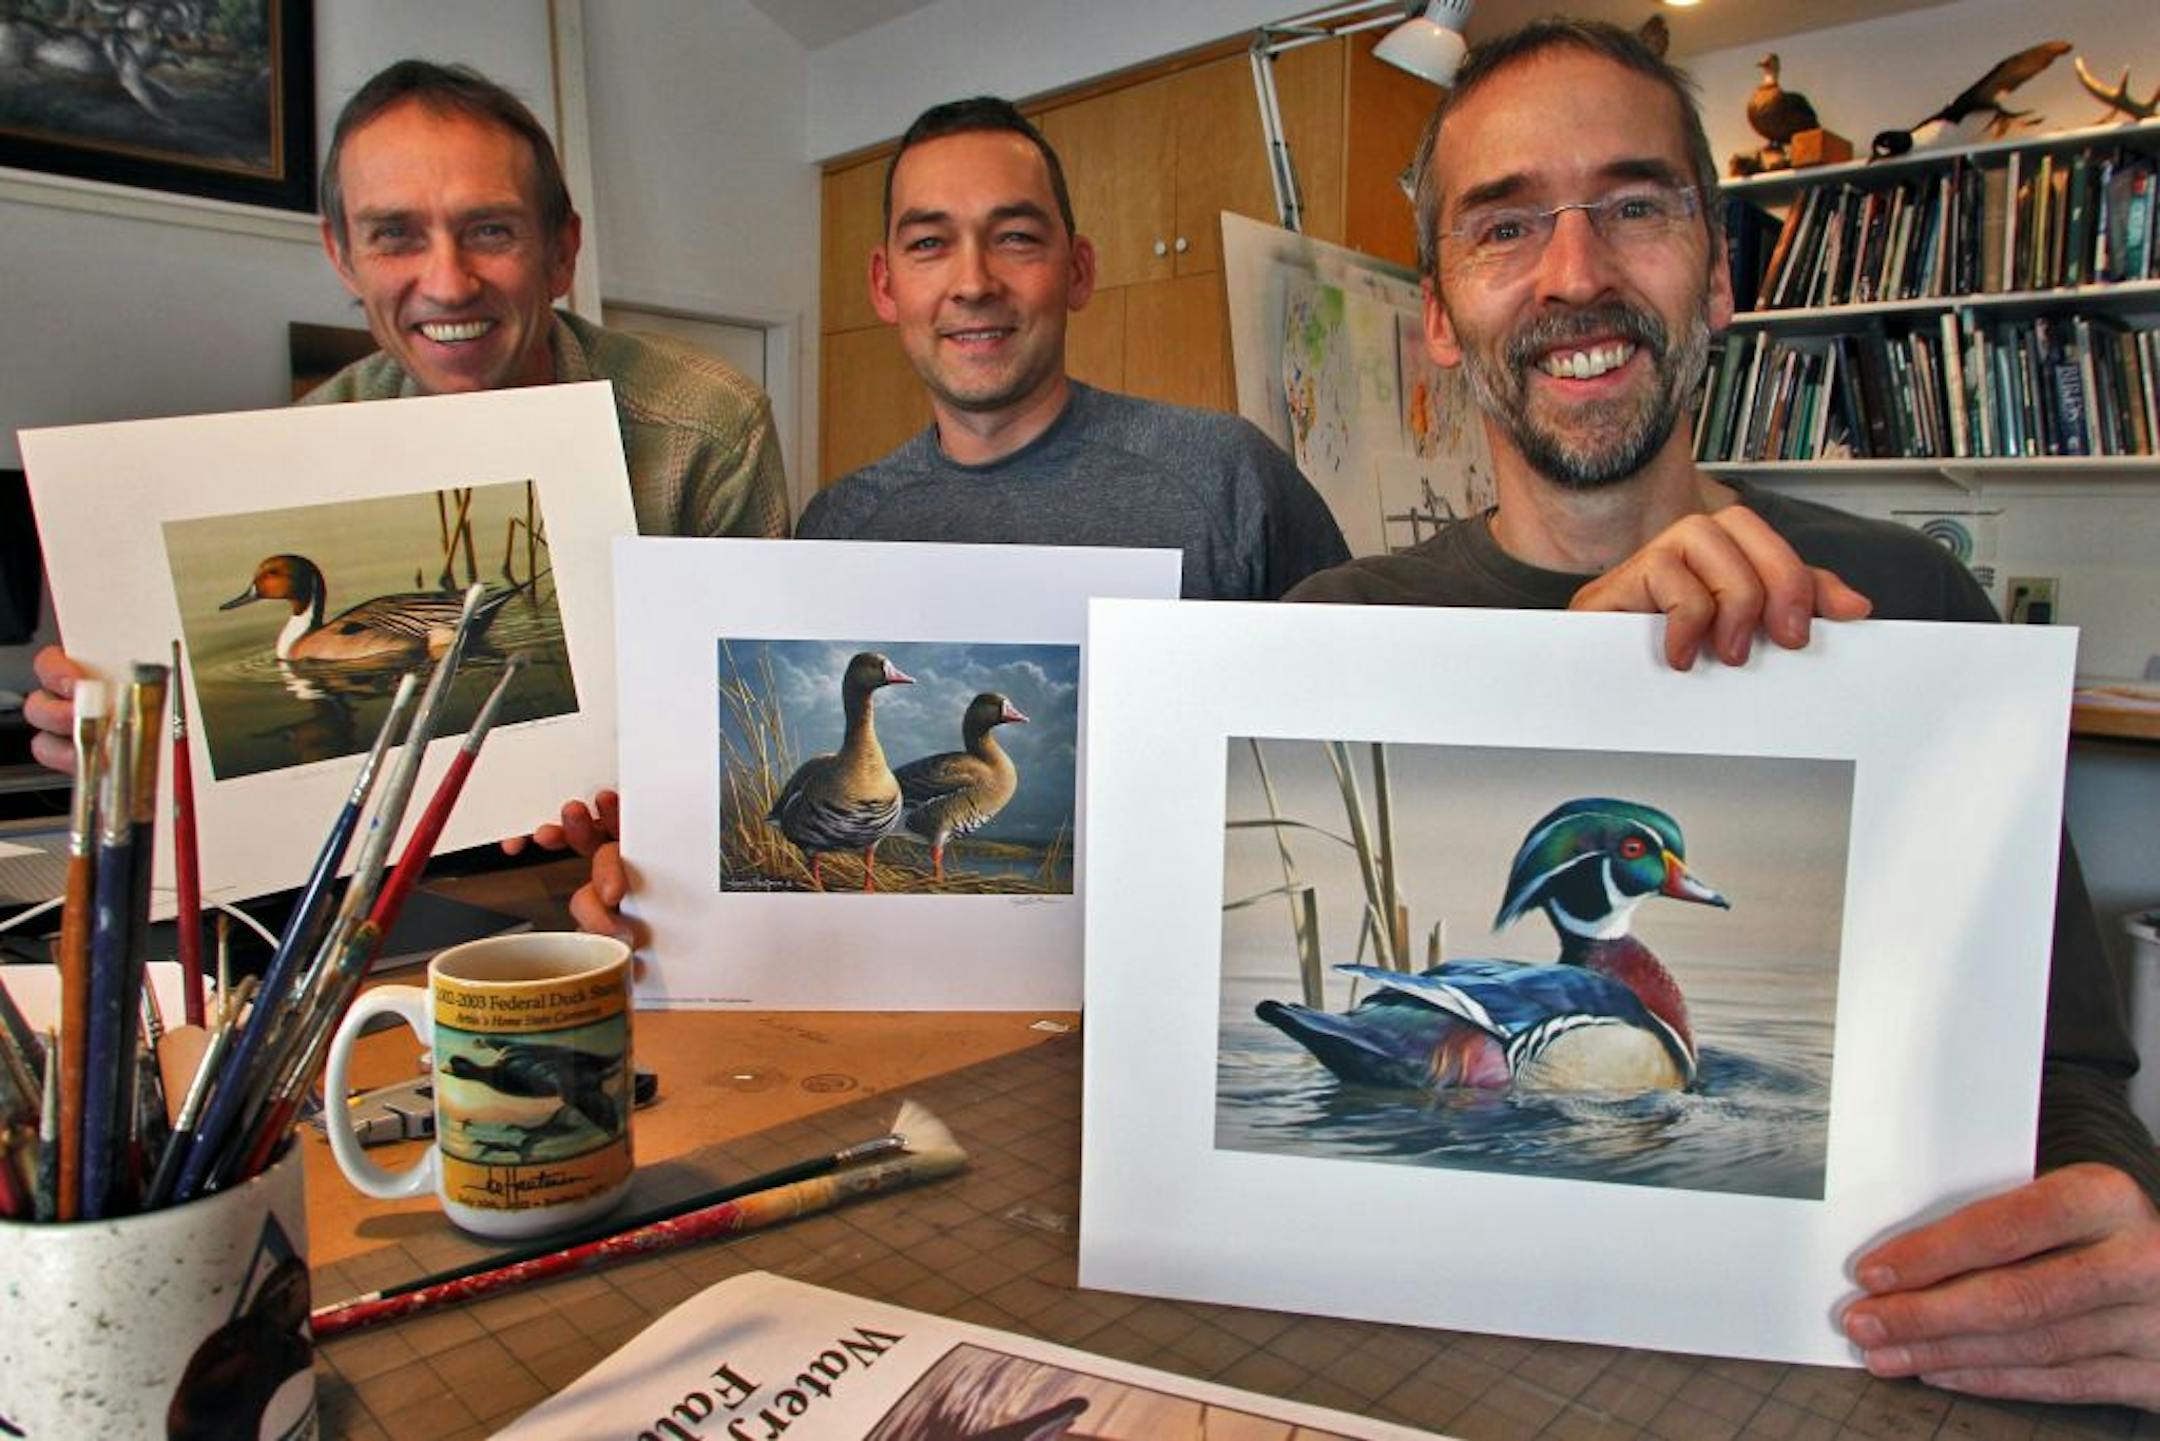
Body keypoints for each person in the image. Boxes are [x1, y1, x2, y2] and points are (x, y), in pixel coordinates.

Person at [1289, 18, 2160, 1410]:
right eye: (1504, 227)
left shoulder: (1903, 607)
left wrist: (2116, 1222)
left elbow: (2065, 1069)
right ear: (1440, 314)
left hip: (1828, 1359)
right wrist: (1565, 688)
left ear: (1721, 278)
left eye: (1635, 206)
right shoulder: (1330, 634)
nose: (1577, 273)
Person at [25, 59, 791, 773]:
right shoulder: (301, 444)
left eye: (491, 230)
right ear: (343, 256)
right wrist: (127, 736)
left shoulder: (707, 428)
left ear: (561, 254)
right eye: (395, 236)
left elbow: (757, 711)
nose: (448, 284)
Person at [794, 96, 1350, 602]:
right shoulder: (838, 527)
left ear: (1078, 272)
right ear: (884, 285)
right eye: (929, 244)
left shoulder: (1228, 478)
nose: (973, 283)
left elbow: (1353, 695)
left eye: (1015, 237)